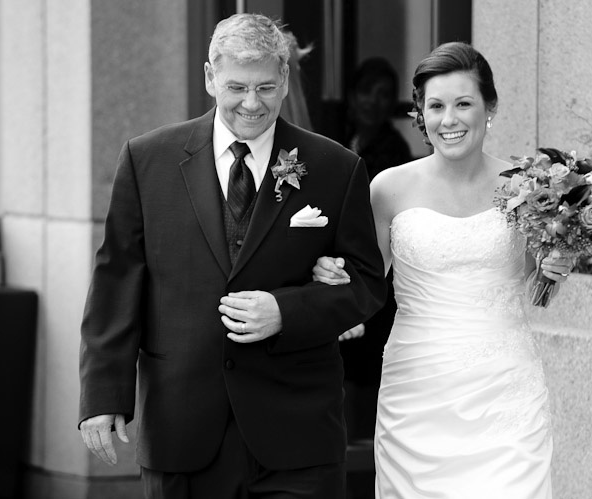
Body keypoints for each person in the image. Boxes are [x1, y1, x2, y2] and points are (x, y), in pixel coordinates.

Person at [78, 13, 385, 499]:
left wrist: (287, 311)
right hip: (181, 425)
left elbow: (367, 282)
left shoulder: (336, 168)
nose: (251, 103)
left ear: (284, 79)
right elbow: (117, 281)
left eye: (265, 87)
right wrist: (102, 395)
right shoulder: (147, 159)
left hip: (297, 431)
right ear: (209, 77)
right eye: (236, 87)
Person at [313, 42, 572, 498]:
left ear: (490, 107)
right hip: (417, 390)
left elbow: (537, 282)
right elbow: (364, 282)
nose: (449, 120)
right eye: (436, 106)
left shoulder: (529, 185)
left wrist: (555, 267)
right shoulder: (388, 188)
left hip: (505, 388)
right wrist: (329, 278)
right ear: (421, 112)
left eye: (463, 103)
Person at [338, 57, 410, 443]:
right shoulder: (340, 134)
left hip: (374, 271)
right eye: (368, 91)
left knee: (366, 372)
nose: (374, 101)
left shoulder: (392, 150)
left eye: (384, 95)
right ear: (353, 95)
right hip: (342, 269)